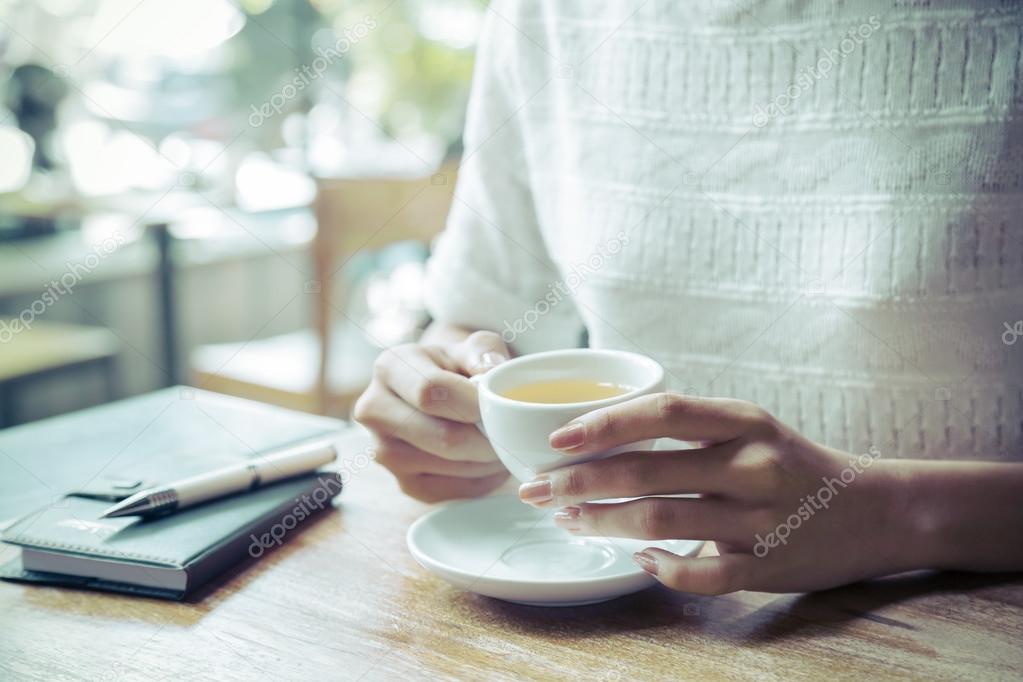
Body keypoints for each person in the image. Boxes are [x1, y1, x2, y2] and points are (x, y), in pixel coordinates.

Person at [354, 1, 1023, 595]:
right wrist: (439, 408)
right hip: (645, 614)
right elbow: (480, 323)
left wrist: (891, 514)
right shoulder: (544, 14)